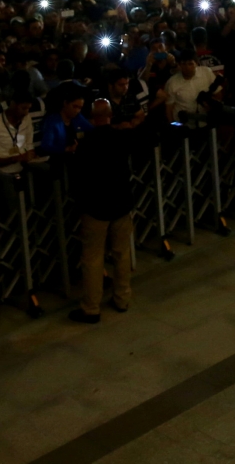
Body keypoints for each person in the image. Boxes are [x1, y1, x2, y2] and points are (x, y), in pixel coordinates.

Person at [68, 98, 141, 324]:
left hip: (95, 207)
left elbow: (78, 176)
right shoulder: (122, 137)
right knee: (121, 253)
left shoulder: (86, 144)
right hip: (120, 204)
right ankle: (122, 298)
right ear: (111, 116)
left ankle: (91, 308)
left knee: (92, 258)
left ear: (91, 118)